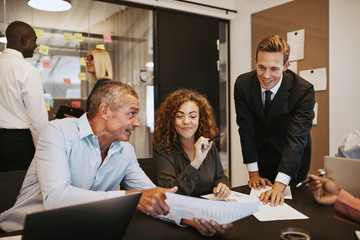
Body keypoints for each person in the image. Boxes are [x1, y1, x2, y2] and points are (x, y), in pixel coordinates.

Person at [0, 81, 176, 232]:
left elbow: (154, 197)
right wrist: (133, 198)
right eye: (132, 113)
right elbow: (56, 198)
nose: (137, 123)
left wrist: (192, 218)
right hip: (22, 232)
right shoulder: (58, 132)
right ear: (105, 110)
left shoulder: (126, 151)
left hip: (80, 231)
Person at [234, 34, 315, 206]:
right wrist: (253, 173)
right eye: (261, 67)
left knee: (289, 206)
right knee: (261, 206)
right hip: (262, 156)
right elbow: (246, 128)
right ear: (255, 61)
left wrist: (279, 186)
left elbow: (296, 139)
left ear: (286, 66)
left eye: (274, 69)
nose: (266, 75)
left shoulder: (303, 91)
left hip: (292, 160)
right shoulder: (242, 84)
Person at [153, 89, 232, 236]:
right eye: (179, 116)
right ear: (171, 119)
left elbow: (221, 177)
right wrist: (196, 162)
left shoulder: (209, 144)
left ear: (200, 118)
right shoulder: (162, 149)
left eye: (192, 116)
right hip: (179, 223)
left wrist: (223, 186)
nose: (186, 122)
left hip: (210, 216)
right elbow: (168, 194)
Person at [0, 21, 48, 172]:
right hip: (19, 143)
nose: (36, 45)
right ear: (24, 39)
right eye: (34, 40)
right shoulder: (27, 70)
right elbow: (37, 119)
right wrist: (45, 153)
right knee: (19, 191)